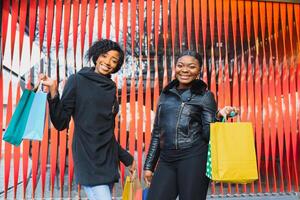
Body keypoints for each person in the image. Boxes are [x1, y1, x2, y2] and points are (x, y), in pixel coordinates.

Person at [39, 39, 136, 200]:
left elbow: (106, 132)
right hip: (87, 156)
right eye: (104, 56)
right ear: (96, 56)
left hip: (107, 158)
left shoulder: (111, 88)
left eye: (114, 60)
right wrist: (54, 92)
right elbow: (61, 122)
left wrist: (127, 159)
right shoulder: (77, 80)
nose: (108, 62)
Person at [143, 50, 238, 200]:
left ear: (199, 70)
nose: (185, 70)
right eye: (180, 65)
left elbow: (208, 134)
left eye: (191, 67)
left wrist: (218, 116)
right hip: (167, 159)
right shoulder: (165, 95)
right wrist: (149, 165)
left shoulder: (205, 96)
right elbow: (157, 132)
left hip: (193, 157)